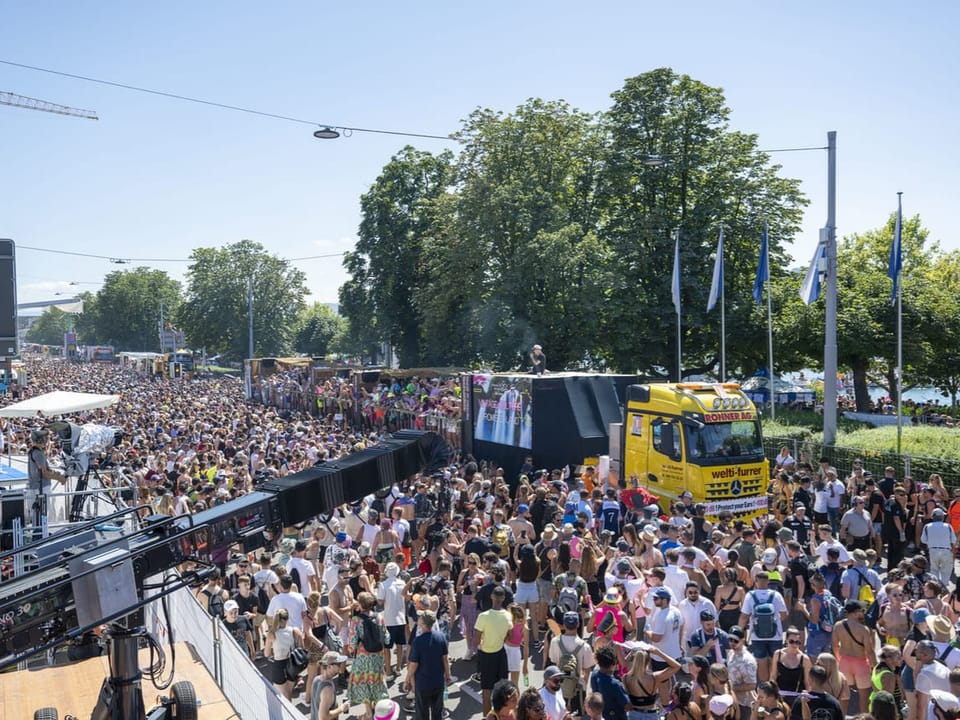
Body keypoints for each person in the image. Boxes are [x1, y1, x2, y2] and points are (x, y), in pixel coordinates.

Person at [739, 571, 789, 682]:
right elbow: (784, 615)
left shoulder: (750, 596)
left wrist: (738, 632)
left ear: (755, 581)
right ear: (768, 581)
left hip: (757, 636)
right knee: (774, 662)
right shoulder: (776, 595)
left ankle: (764, 686)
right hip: (775, 635)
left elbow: (744, 616)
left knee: (761, 663)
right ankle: (773, 686)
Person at [403, 610, 451, 720]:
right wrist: (448, 675)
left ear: (423, 624)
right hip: (438, 682)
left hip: (423, 683)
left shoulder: (418, 641)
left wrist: (407, 680)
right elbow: (445, 659)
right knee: (437, 713)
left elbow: (413, 664)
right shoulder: (441, 637)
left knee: (422, 714)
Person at [348, 592, 389, 719]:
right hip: (377, 655)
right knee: (376, 680)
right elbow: (386, 637)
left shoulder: (356, 620)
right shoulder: (379, 617)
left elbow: (353, 641)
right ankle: (378, 710)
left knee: (364, 681)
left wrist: (351, 649)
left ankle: (368, 712)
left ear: (360, 605)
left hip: (363, 655)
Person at [476, 586, 513, 716]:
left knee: (486, 692)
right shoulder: (508, 616)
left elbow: (477, 639)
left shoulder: (483, 616)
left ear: (492, 597)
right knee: (503, 692)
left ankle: (487, 718)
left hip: (486, 657)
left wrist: (482, 646)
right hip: (500, 655)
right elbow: (510, 637)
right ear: (503, 598)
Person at [622, 646, 680, 720]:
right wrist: (659, 653)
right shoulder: (654, 677)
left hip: (634, 714)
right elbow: (677, 666)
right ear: (648, 662)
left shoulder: (626, 678)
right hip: (651, 714)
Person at [264, 608, 305, 700]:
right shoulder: (295, 631)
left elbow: (266, 654)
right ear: (287, 619)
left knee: (278, 696)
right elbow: (301, 649)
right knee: (288, 693)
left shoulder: (272, 634)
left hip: (279, 666)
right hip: (292, 665)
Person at [27, 428, 64, 524]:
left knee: (38, 515)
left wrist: (55, 473)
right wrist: (60, 478)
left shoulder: (33, 452)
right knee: (46, 514)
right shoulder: (38, 453)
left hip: (36, 486)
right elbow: (44, 473)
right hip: (42, 487)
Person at [590, 645, 630, 720]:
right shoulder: (615, 684)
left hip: (601, 715)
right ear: (613, 664)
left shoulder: (594, 675)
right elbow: (627, 705)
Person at [726, 626, 757, 720]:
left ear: (742, 641)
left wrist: (732, 689)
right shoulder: (730, 653)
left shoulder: (748, 660)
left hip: (745, 703)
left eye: (735, 641)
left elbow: (752, 685)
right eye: (730, 640)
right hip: (732, 700)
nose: (732, 643)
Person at [310, 651, 351, 720]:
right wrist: (341, 708)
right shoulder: (327, 689)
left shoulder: (316, 679)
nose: (341, 666)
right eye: (338, 664)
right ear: (329, 666)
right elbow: (323, 717)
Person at [922, 509, 957, 586]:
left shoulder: (927, 526)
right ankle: (943, 587)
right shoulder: (948, 526)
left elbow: (923, 540)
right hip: (946, 550)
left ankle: (935, 587)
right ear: (942, 517)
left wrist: (931, 542)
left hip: (933, 550)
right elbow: (953, 540)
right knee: (946, 571)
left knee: (934, 570)